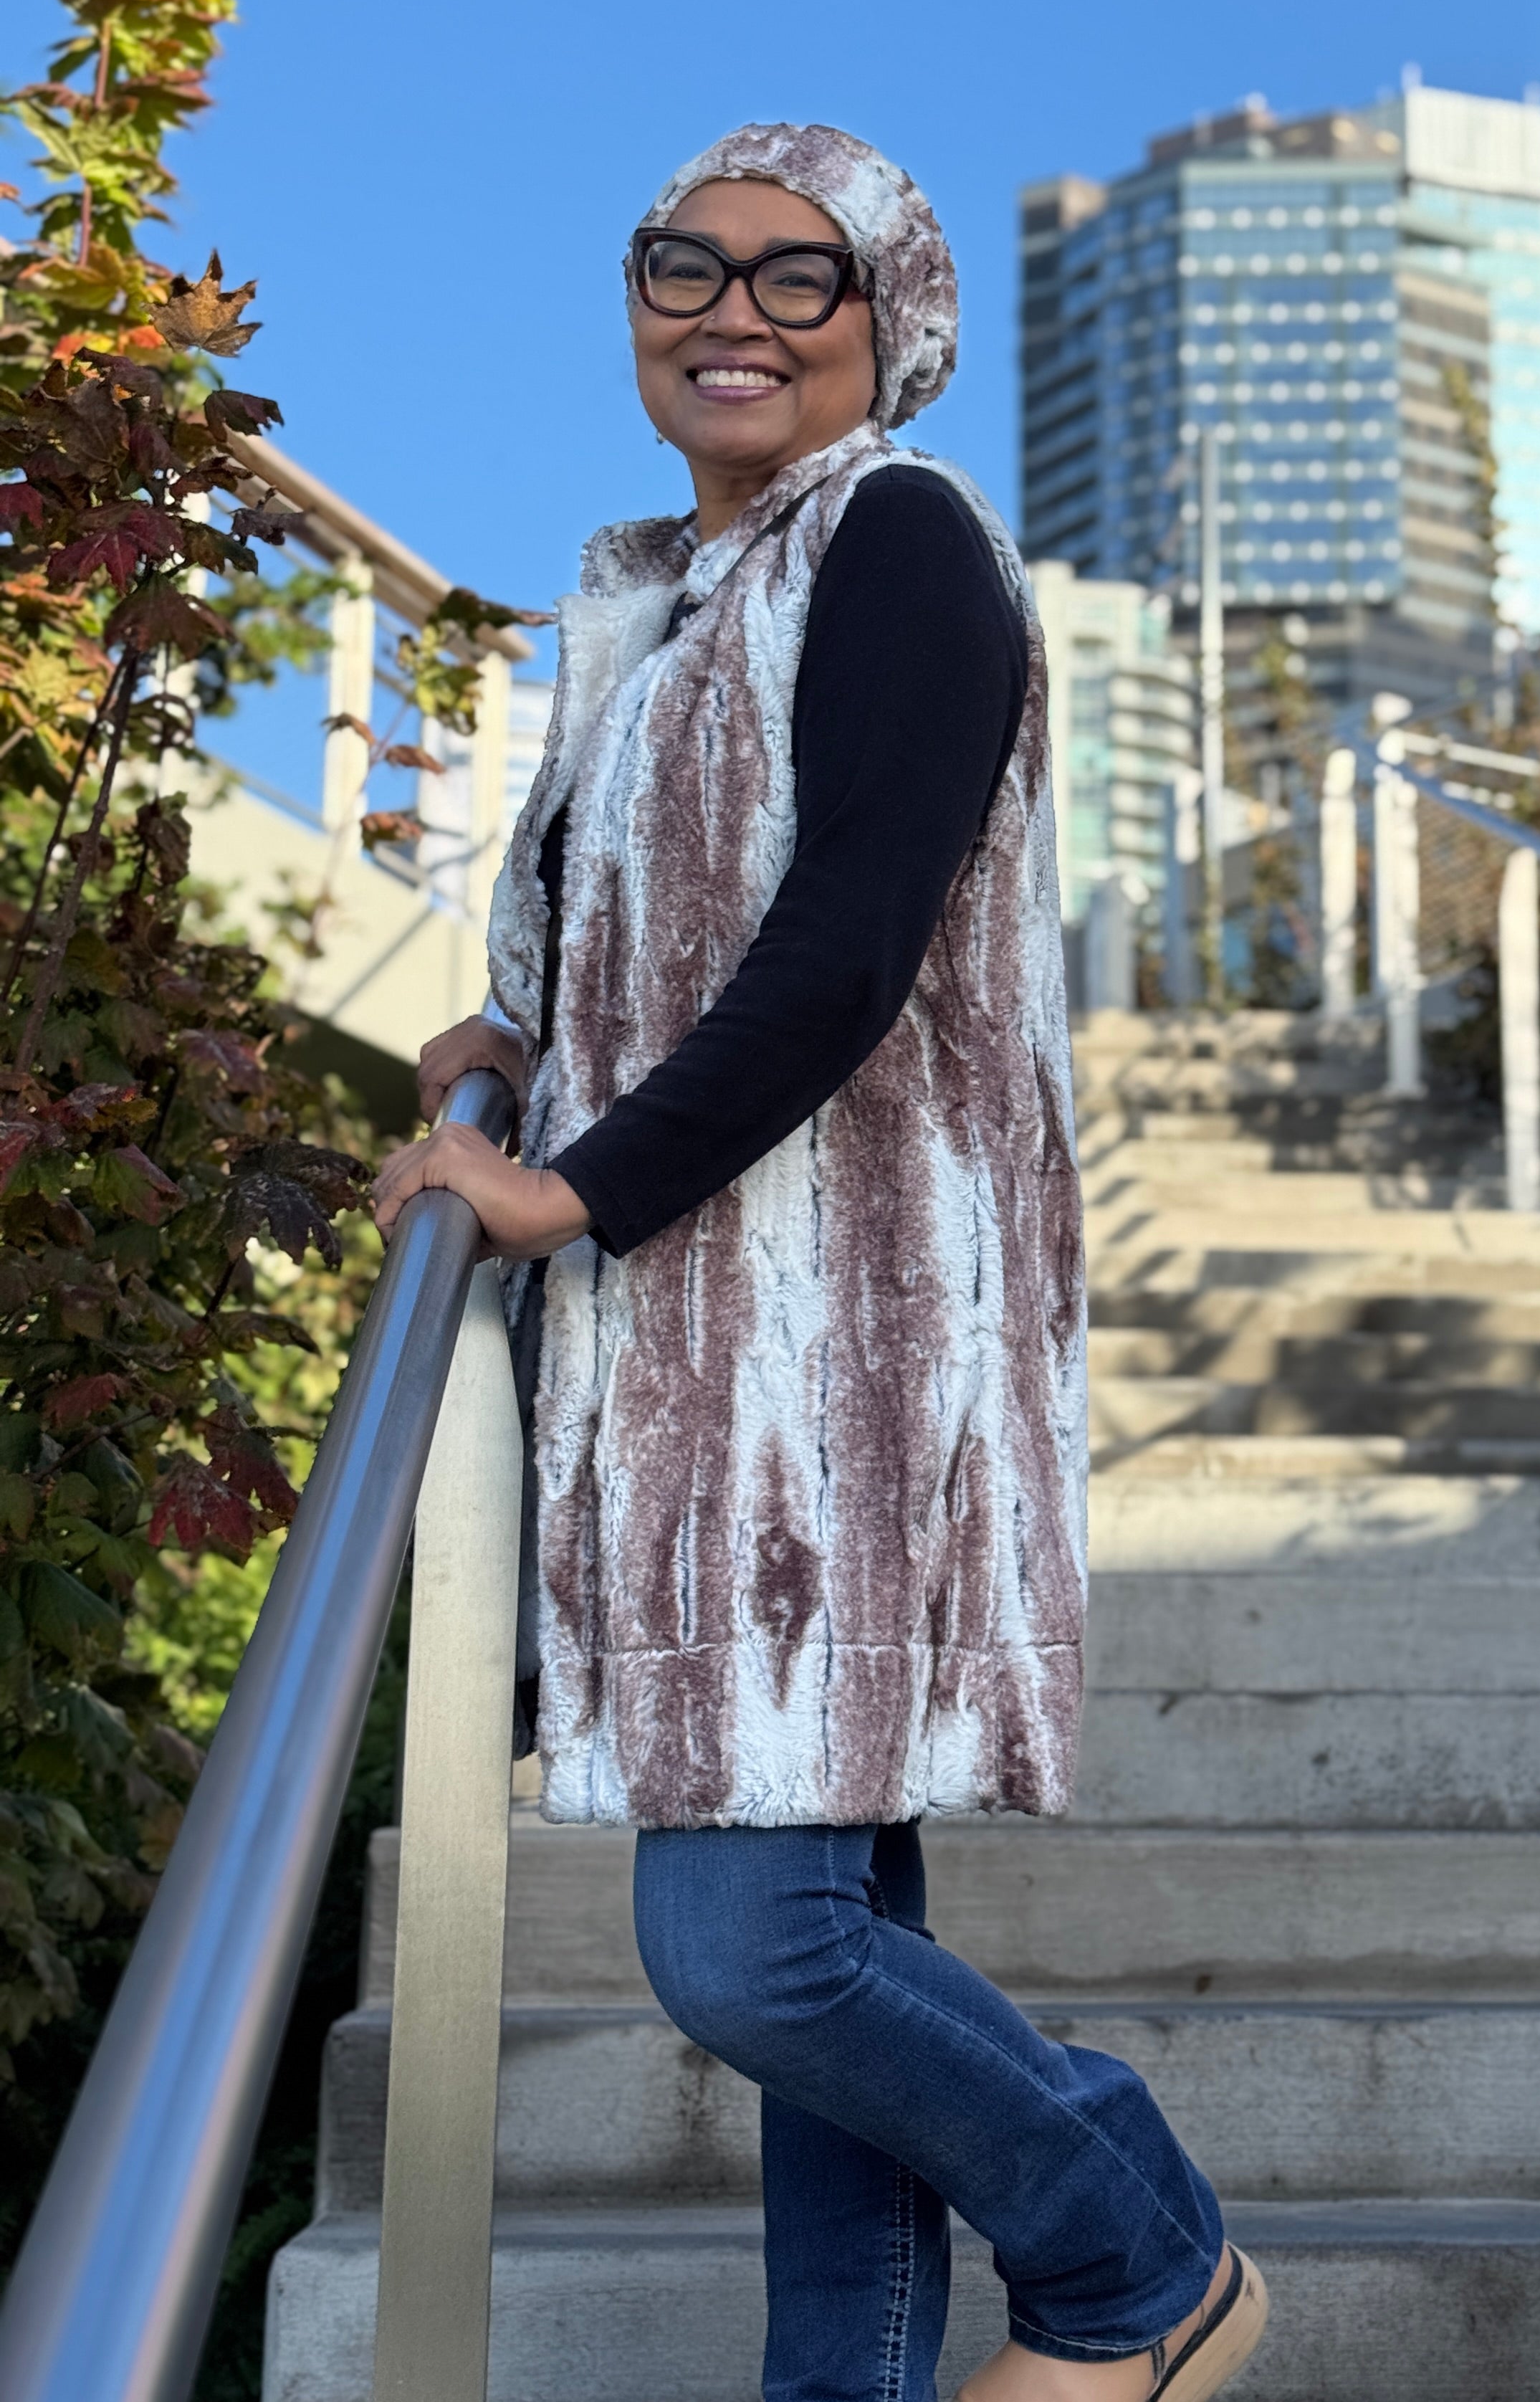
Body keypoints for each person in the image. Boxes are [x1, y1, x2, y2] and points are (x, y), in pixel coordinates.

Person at [373, 123, 1268, 2402]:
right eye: (690, 264)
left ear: (895, 337)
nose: (736, 311)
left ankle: (1143, 2259)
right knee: (833, 1928)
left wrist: (570, 1182)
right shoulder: (669, 592)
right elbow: (687, 910)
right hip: (695, 1370)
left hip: (841, 1352)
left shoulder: (899, 537)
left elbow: (852, 933)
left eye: (805, 279)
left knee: (751, 1949)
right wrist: (529, 1029)